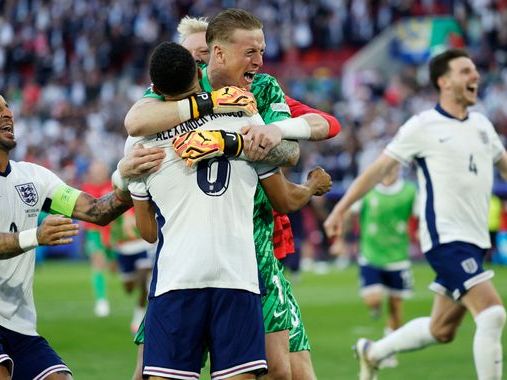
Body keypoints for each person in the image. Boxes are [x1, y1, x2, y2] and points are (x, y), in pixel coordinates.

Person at [123, 10, 341, 380]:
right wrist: (126, 170)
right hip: (186, 257)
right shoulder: (171, 95)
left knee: (284, 371)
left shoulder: (261, 91)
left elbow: (315, 133)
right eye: (250, 52)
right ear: (214, 55)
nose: (258, 61)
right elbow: (135, 125)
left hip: (253, 244)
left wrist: (264, 134)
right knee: (148, 370)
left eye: (261, 51)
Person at [324, 48, 507, 380]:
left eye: (475, 70)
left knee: (441, 329)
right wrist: (341, 207)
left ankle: (373, 352)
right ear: (444, 81)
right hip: (446, 240)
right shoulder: (423, 125)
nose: (475, 76)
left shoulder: (482, 126)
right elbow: (379, 169)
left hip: (476, 242)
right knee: (492, 314)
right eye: (465, 71)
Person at [0, 94, 133, 380]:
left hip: (19, 325)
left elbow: (97, 211)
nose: (6, 114)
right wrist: (35, 236)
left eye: (7, 107)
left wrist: (132, 185)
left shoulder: (33, 178)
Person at [345, 163, 418, 368]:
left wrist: (420, 233)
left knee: (395, 308)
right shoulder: (368, 190)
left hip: (398, 258)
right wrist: (343, 239)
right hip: (371, 255)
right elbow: (351, 213)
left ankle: (389, 350)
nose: (389, 171)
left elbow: (419, 218)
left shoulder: (409, 192)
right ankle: (376, 308)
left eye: (393, 168)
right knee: (373, 299)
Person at [110, 208, 154, 334]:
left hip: (143, 245)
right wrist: (111, 255)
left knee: (144, 282)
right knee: (129, 288)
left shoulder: (144, 197)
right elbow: (111, 226)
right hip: (124, 248)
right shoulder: (118, 200)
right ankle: (141, 281)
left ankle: (138, 317)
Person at [81, 160, 115, 317]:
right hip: (94, 233)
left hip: (114, 233)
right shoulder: (87, 190)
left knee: (116, 268)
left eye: (100, 171)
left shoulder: (113, 185)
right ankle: (101, 301)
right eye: (95, 171)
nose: (98, 174)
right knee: (98, 262)